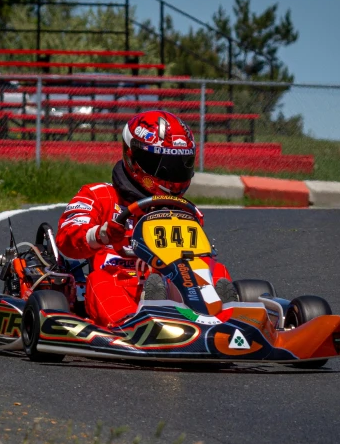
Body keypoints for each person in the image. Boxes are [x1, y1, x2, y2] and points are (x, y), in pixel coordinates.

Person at [56, 110, 232, 328]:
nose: (170, 174)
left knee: (217, 270)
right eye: (161, 164)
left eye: (178, 166)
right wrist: (102, 234)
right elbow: (67, 239)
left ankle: (228, 319)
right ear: (133, 157)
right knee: (99, 282)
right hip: (120, 279)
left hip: (176, 281)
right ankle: (136, 324)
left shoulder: (187, 211)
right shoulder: (99, 195)